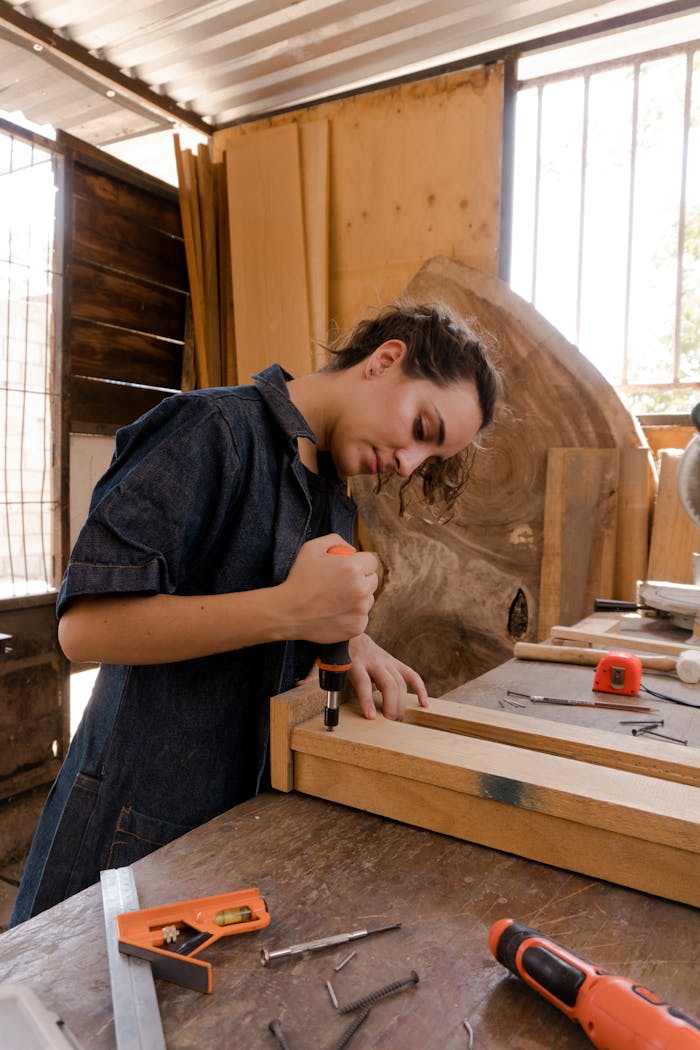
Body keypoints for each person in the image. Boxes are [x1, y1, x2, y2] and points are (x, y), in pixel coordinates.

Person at [10, 298, 499, 925]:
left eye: (430, 459)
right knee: (51, 1014)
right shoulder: (210, 429)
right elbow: (85, 629)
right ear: (385, 360)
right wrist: (290, 611)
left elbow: (270, 610)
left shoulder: (329, 485)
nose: (408, 462)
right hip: (127, 836)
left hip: (232, 828)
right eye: (422, 429)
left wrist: (349, 638)